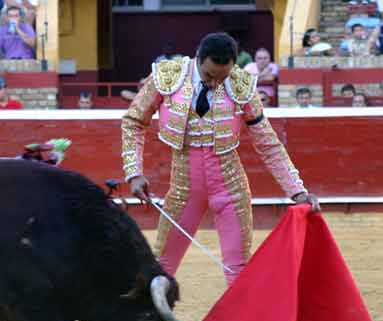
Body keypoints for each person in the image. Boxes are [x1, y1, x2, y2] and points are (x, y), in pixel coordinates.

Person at [121, 32, 320, 285]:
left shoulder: (241, 84)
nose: (216, 83)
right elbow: (133, 122)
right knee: (161, 267)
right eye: (209, 76)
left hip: (231, 188)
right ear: (198, 60)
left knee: (238, 269)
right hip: (184, 188)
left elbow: (268, 143)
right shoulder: (167, 76)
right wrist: (134, 172)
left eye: (222, 77)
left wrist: (298, 191)